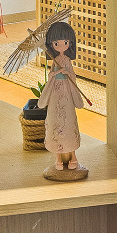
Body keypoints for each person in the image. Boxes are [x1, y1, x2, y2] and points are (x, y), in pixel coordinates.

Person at [39, 20, 91, 180]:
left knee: (68, 122)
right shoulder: (54, 61)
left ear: (70, 43)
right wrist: (54, 74)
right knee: (56, 121)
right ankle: (58, 158)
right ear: (51, 44)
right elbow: (51, 76)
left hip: (67, 93)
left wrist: (68, 73)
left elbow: (72, 75)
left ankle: (73, 156)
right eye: (57, 43)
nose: (61, 45)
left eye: (65, 42)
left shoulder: (67, 60)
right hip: (56, 93)